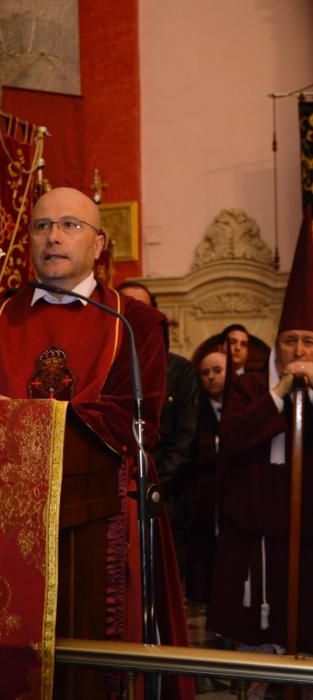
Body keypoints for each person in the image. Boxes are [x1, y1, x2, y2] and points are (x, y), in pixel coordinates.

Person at [0, 187, 195, 699]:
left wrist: (18, 418)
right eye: (41, 226)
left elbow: (135, 422)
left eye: (70, 225)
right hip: (0, 523)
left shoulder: (134, 321)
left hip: (100, 524)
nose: (53, 236)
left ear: (98, 245)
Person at [207, 217, 313, 700]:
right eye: (290, 340)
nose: (298, 351)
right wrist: (280, 394)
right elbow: (234, 435)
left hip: (302, 528)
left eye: (309, 343)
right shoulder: (251, 386)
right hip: (253, 529)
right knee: (255, 629)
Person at [116, 281, 199, 576]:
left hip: (162, 496)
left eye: (141, 308)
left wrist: (147, 481)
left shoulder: (178, 369)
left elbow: (185, 441)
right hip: (111, 496)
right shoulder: (102, 366)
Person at [186, 351, 226, 605]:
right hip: (203, 493)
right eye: (205, 373)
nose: (211, 377)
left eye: (217, 371)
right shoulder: (195, 408)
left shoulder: (242, 402)